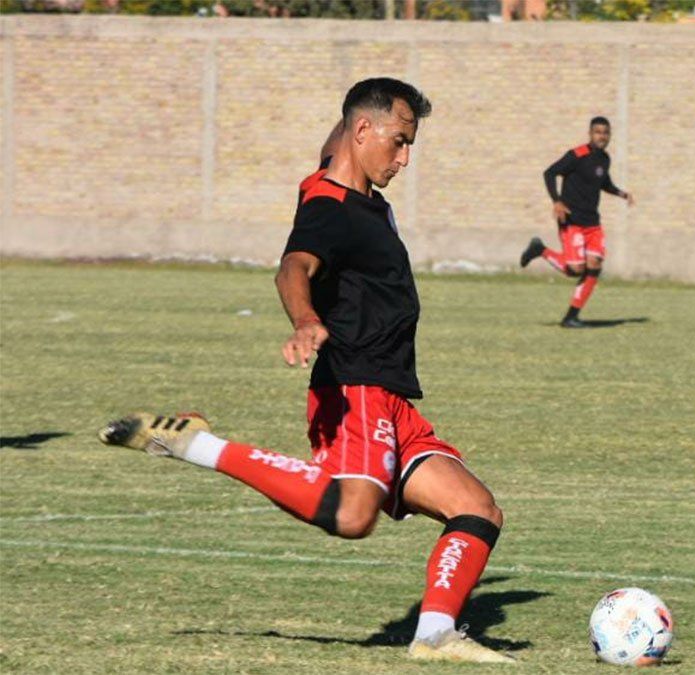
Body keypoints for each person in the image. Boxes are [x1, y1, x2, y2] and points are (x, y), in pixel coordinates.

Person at [97, 78, 514, 663]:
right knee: (351, 515)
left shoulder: (337, 177)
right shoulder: (328, 208)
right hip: (355, 388)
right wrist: (303, 319)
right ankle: (198, 445)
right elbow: (293, 265)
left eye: (411, 143)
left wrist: (366, 105)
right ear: (362, 132)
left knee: (476, 508)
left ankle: (435, 636)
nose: (405, 158)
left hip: (392, 399)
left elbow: (338, 141)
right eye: (398, 141)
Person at [518, 116, 633, 328]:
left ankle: (571, 317)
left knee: (594, 266)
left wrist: (621, 193)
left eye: (605, 133)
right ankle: (540, 250)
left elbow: (603, 182)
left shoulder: (605, 159)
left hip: (593, 224)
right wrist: (557, 201)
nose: (602, 136)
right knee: (575, 269)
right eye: (598, 132)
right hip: (571, 220)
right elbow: (549, 173)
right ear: (590, 134)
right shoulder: (577, 155)